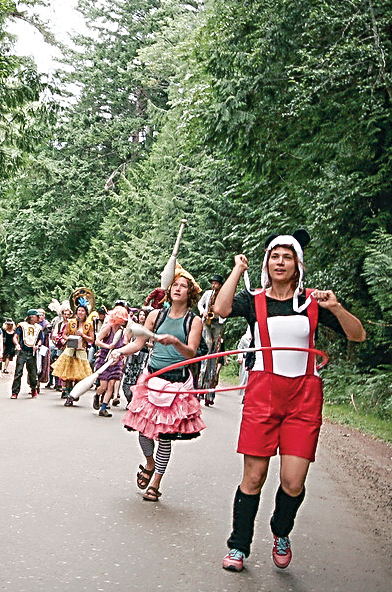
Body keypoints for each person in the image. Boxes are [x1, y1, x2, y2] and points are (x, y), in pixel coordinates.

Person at [214, 229, 366, 572]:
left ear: (298, 265)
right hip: (263, 394)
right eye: (274, 256)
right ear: (267, 263)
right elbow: (220, 309)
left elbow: (358, 334)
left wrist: (336, 307)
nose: (280, 262)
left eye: (287, 257)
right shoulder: (254, 299)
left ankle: (281, 530)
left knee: (293, 482)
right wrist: (238, 269)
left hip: (303, 397)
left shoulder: (312, 301)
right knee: (253, 477)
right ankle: (238, 545)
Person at [115, 271, 205, 502]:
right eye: (175, 285)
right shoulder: (156, 315)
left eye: (183, 286)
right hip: (151, 379)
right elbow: (138, 344)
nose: (178, 288)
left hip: (176, 383)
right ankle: (149, 463)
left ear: (190, 293)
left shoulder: (194, 321)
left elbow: (192, 353)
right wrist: (119, 352)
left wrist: (175, 342)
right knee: (143, 431)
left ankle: (155, 482)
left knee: (164, 436)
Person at [51, 304, 94, 406]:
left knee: (80, 375)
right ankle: (68, 396)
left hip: (81, 351)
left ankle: (75, 392)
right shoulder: (71, 322)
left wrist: (83, 336)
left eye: (82, 311)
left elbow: (92, 339)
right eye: (79, 310)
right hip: (70, 350)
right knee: (69, 374)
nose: (80, 312)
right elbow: (64, 334)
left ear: (86, 313)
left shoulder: (89, 324)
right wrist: (70, 339)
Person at [90, 304, 128, 417]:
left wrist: (120, 354)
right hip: (104, 359)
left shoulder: (122, 331)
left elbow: (124, 344)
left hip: (116, 360)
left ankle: (103, 408)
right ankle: (97, 395)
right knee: (103, 386)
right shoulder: (108, 328)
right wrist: (108, 346)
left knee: (111, 384)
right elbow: (97, 341)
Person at [197, 273, 227, 406]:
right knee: (207, 350)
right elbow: (200, 304)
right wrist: (203, 312)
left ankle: (209, 391)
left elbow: (228, 309)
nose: (213, 285)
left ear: (220, 285)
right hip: (207, 323)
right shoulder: (208, 293)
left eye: (216, 283)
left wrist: (220, 314)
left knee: (214, 355)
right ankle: (199, 388)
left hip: (217, 323)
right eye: (213, 283)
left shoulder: (224, 295)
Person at [10, 309, 43, 399]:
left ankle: (33, 388)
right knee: (18, 372)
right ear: (31, 317)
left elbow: (40, 339)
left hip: (32, 352)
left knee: (33, 373)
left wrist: (37, 345)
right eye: (37, 316)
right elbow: (15, 336)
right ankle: (15, 392)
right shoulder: (22, 326)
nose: (39, 317)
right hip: (23, 351)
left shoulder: (38, 328)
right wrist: (17, 344)